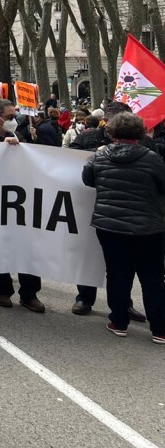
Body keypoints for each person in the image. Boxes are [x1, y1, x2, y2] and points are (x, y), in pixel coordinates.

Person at [81, 112, 165, 343]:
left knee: (117, 274)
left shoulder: (99, 157)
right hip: (148, 227)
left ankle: (119, 321)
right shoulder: (151, 158)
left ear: (111, 132)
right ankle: (159, 328)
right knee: (153, 277)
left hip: (109, 226)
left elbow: (88, 180)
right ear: (140, 132)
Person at [68, 101, 148, 320]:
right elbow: (67, 159)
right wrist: (97, 153)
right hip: (91, 206)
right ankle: (84, 297)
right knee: (89, 254)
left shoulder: (143, 142)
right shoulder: (88, 137)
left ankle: (124, 304)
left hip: (129, 210)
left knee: (123, 264)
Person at [0, 98, 45, 312]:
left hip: (20, 200)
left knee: (27, 246)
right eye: (10, 117)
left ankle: (30, 293)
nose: (15, 120)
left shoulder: (17, 135)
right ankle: (2, 291)